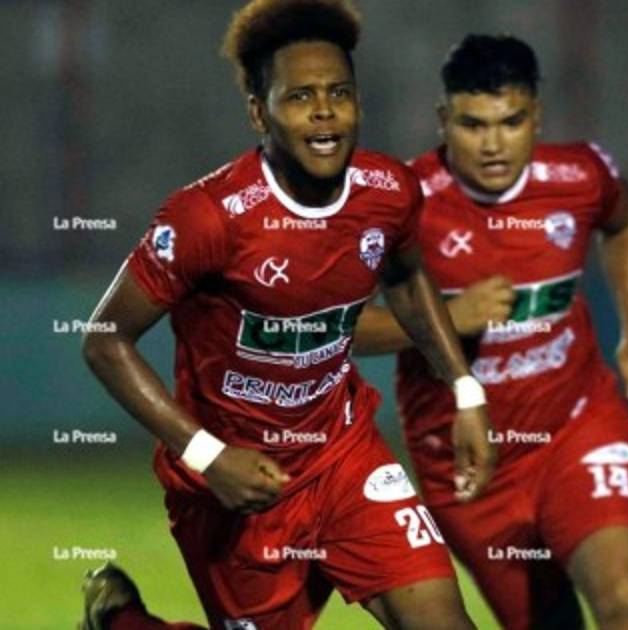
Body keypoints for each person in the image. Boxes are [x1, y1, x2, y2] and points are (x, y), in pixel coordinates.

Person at [79, 2, 496, 628]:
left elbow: (407, 279)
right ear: (259, 112)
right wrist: (209, 457)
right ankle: (121, 622)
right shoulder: (208, 218)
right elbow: (105, 340)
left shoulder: (388, 193)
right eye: (300, 96)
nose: (324, 110)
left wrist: (465, 389)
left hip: (344, 459)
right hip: (239, 482)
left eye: (339, 93)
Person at [353, 34, 628, 630]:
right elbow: (337, 328)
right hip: (469, 464)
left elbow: (625, 221)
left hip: (576, 427)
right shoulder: (402, 204)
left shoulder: (580, 175)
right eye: (473, 125)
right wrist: (449, 319)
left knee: (625, 598)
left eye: (511, 122)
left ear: (536, 116)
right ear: (443, 119)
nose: (493, 145)